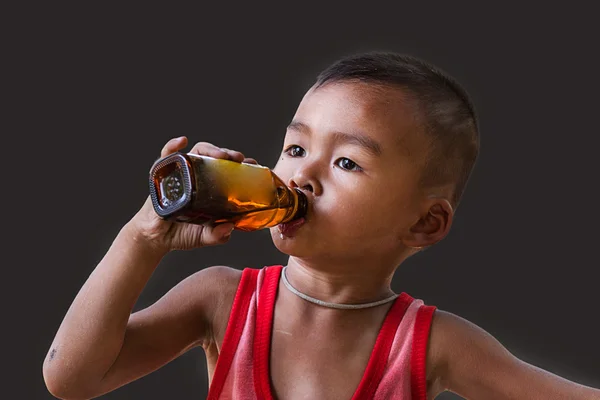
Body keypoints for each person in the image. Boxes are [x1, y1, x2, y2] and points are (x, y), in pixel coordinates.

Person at [42, 51, 600, 399]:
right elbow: (72, 378)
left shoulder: (433, 345)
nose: (301, 174)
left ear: (425, 224)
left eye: (347, 162)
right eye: (295, 146)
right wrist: (143, 235)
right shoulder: (221, 300)